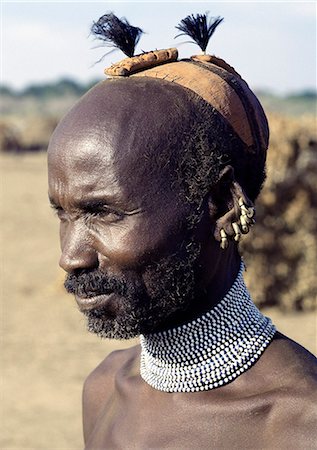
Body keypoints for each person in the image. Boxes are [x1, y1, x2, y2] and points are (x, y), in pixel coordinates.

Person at [47, 13, 317, 449]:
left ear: (223, 206)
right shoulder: (102, 391)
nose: (70, 256)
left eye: (104, 214)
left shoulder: (300, 424)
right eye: (63, 213)